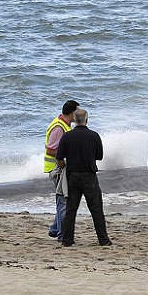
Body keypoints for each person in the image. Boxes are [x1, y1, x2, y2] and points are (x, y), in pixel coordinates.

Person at [56, 108, 111, 247]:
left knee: (71, 210)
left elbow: (59, 158)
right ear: (86, 119)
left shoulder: (67, 136)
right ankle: (103, 240)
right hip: (89, 176)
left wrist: (64, 167)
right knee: (96, 209)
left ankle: (67, 240)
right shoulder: (94, 136)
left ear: (75, 121)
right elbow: (99, 156)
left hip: (73, 176)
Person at [44, 100, 79, 242]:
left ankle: (55, 228)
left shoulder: (65, 125)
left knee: (63, 200)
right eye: (76, 112)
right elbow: (51, 149)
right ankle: (61, 233)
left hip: (60, 168)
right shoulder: (59, 127)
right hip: (57, 169)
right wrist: (63, 159)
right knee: (63, 201)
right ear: (72, 113)